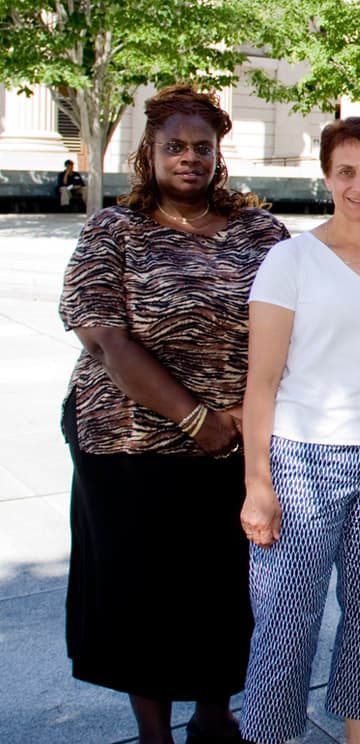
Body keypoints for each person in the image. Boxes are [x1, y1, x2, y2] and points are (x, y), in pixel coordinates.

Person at [58, 85, 288, 744]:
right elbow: (103, 336)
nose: (189, 158)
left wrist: (245, 415)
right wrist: (198, 420)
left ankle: (214, 716)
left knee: (223, 589)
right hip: (127, 450)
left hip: (237, 446)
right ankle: (154, 732)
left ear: (218, 156)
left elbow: (295, 320)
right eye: (174, 147)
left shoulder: (260, 231)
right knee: (142, 595)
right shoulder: (115, 230)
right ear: (148, 153)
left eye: (202, 147)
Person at [239, 117, 360, 744]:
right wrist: (257, 485)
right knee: (285, 622)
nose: (359, 185)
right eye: (346, 171)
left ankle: (359, 734)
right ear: (326, 177)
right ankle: (271, 736)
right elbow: (261, 384)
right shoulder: (289, 260)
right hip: (301, 461)